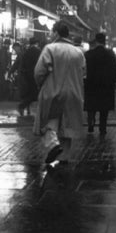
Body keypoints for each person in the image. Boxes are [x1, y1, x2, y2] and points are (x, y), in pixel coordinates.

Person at [33, 21, 86, 166]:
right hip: (74, 93)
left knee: (48, 122)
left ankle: (53, 146)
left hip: (53, 92)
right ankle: (64, 157)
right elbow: (83, 73)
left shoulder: (50, 49)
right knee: (67, 127)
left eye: (51, 32)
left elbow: (39, 72)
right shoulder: (78, 52)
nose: (49, 35)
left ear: (56, 33)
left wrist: (41, 85)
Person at [84, 32, 116, 135]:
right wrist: (115, 82)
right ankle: (102, 128)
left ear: (96, 41)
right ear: (105, 41)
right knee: (104, 108)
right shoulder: (110, 54)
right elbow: (114, 69)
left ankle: (91, 123)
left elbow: (84, 70)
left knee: (91, 107)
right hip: (106, 85)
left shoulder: (88, 54)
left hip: (91, 84)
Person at [15, 37, 41, 116]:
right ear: (37, 43)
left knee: (30, 93)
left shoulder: (26, 52)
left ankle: (24, 107)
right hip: (35, 75)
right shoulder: (38, 51)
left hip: (26, 76)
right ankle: (22, 106)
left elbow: (22, 64)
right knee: (34, 94)